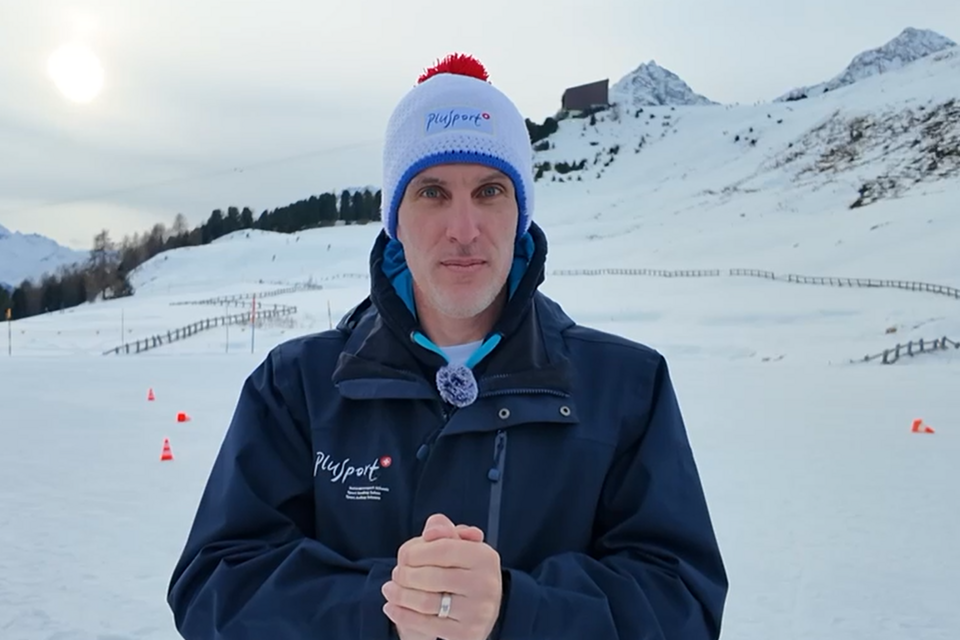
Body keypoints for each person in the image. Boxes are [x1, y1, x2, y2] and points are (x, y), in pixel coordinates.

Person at [167, 52, 728, 640]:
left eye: (489, 191)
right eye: (433, 192)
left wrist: (516, 610)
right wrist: (389, 606)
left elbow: (681, 602)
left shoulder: (625, 387)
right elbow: (216, 583)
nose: (464, 228)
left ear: (521, 216)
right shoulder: (296, 386)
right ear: (396, 221)